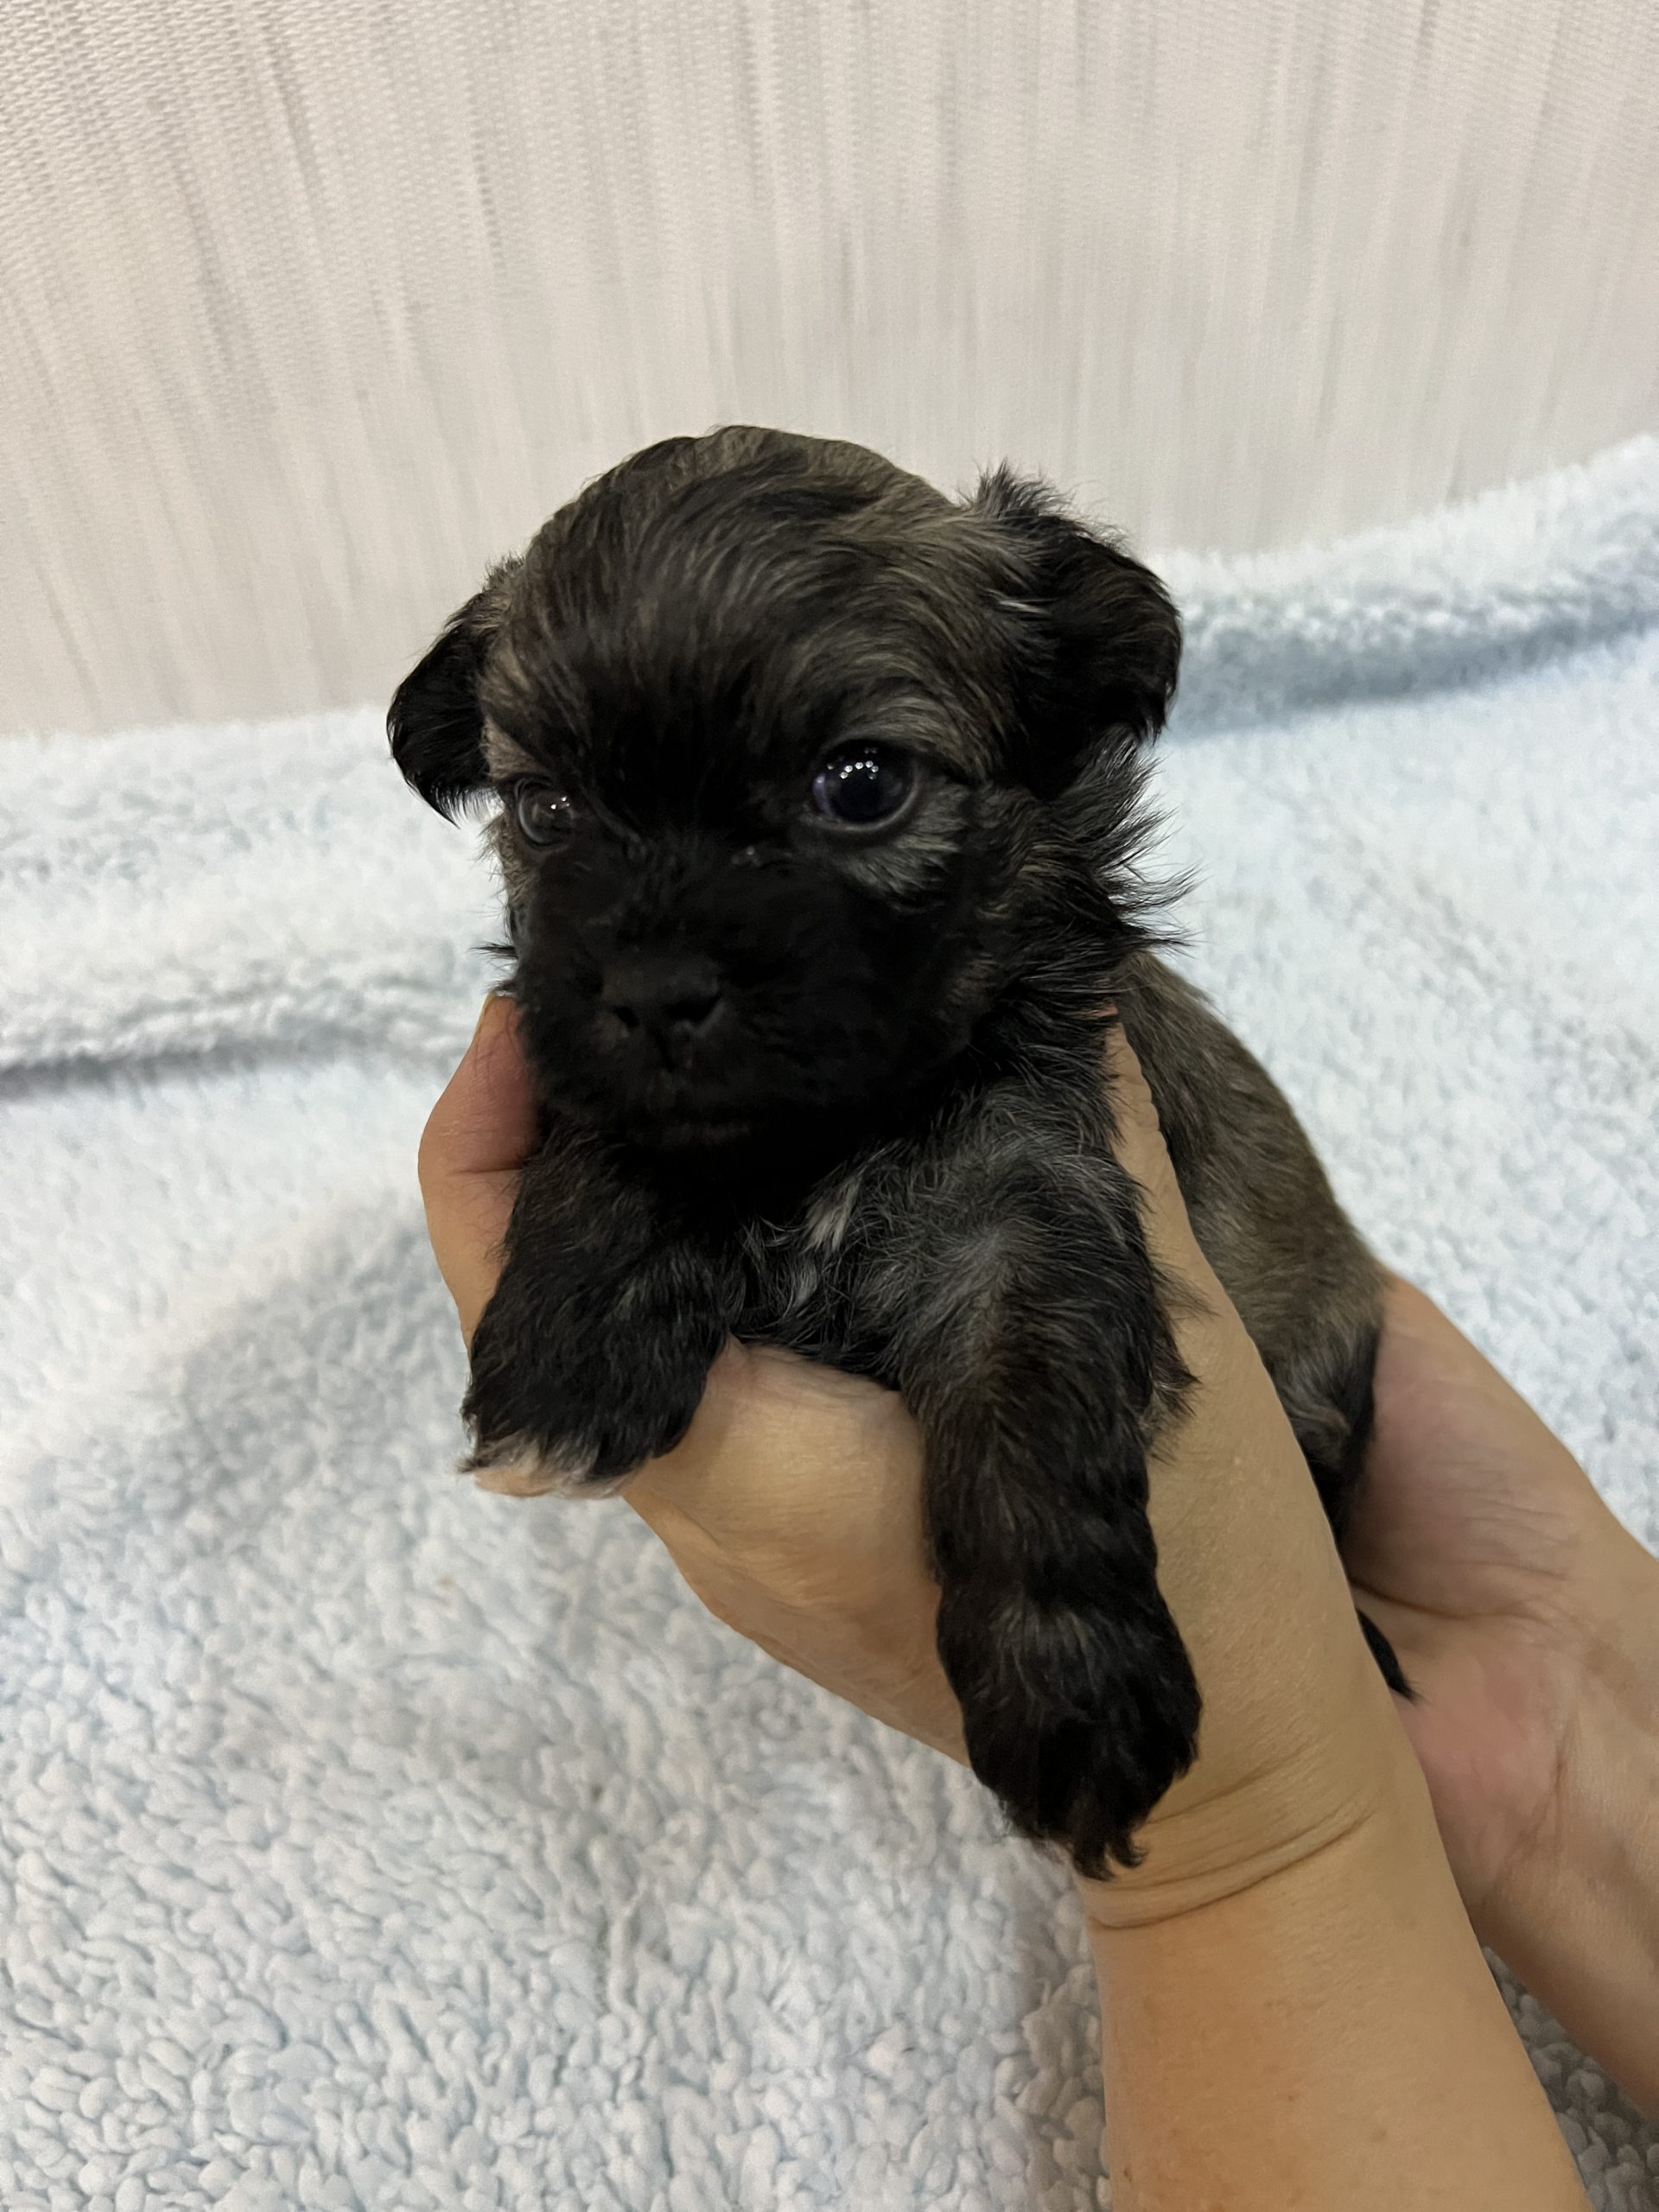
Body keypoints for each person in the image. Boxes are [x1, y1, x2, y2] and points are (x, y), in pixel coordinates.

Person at [421, 995, 1659, 2208]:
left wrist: (1233, 1833)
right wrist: (1546, 1652)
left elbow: (1020, 1241)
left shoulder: (1018, 1069)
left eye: (862, 791)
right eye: (553, 850)